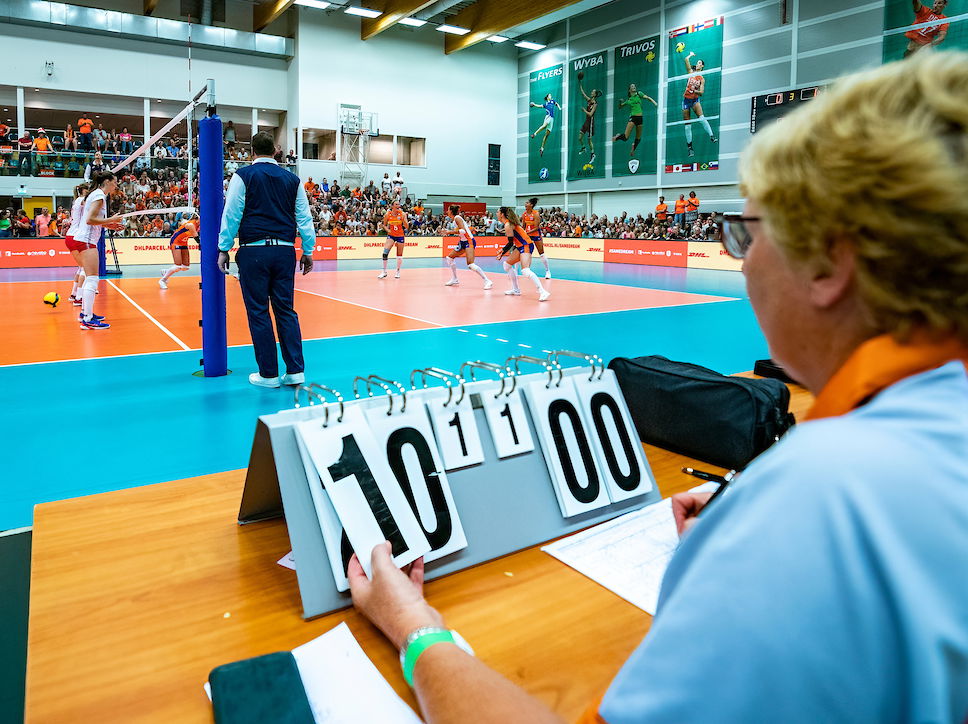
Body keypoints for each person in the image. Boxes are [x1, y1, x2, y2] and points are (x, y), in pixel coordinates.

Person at [347, 51, 968, 724]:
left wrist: (414, 629)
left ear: (830, 263)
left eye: (745, 233)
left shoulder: (822, 500)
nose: (742, 259)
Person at [217, 131, 314, 388]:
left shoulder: (243, 176)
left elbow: (232, 213)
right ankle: (295, 371)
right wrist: (308, 250)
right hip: (284, 252)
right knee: (286, 311)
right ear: (275, 151)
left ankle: (268, 374)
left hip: (254, 251)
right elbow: (304, 218)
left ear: (251, 152)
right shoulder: (293, 180)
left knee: (258, 311)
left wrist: (223, 248)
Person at [71, 172, 124, 329]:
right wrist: (112, 220)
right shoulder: (99, 195)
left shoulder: (96, 194)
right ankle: (87, 319)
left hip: (85, 239)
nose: (116, 185)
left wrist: (109, 225)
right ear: (107, 181)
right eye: (114, 182)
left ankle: (86, 314)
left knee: (89, 277)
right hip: (87, 241)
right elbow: (90, 219)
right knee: (92, 278)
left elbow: (93, 221)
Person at [495, 207, 550, 302]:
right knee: (506, 265)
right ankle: (516, 289)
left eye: (498, 212)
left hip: (526, 245)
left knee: (525, 270)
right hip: (520, 246)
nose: (496, 213)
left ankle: (543, 291)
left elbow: (510, 243)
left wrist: (502, 251)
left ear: (502, 214)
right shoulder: (508, 224)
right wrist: (502, 251)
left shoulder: (508, 224)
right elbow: (512, 243)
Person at [443, 204, 492, 289]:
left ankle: (487, 281)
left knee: (471, 265)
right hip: (462, 242)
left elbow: (462, 231)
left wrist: (449, 232)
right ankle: (455, 279)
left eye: (448, 210)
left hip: (469, 241)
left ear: (451, 211)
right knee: (449, 258)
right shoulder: (455, 219)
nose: (447, 211)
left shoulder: (457, 218)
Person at [682, 51, 717, 157]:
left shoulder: (702, 79)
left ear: (702, 66)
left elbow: (701, 93)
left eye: (699, 63)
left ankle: (712, 136)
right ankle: (690, 148)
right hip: (686, 101)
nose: (697, 64)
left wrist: (694, 91)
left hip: (695, 100)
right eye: (697, 62)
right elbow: (686, 60)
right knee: (687, 126)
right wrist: (690, 55)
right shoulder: (690, 72)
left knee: (702, 118)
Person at [612, 83, 657, 158]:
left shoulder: (639, 94)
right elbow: (620, 107)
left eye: (634, 86)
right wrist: (620, 102)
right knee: (626, 137)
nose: (634, 87)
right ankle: (618, 136)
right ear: (629, 90)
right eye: (632, 87)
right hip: (633, 118)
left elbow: (648, 98)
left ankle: (633, 149)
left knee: (638, 139)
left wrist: (654, 103)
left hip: (640, 118)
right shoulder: (629, 100)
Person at [65, 184, 89, 306]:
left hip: (70, 236)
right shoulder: (81, 201)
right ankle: (79, 297)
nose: (89, 191)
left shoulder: (76, 201)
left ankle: (74, 294)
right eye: (88, 189)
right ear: (82, 191)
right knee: (85, 268)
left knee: (81, 267)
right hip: (76, 237)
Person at [159, 213, 197, 289]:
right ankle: (163, 280)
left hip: (184, 242)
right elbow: (197, 238)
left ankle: (167, 271)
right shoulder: (191, 224)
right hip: (176, 241)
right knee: (177, 265)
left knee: (186, 267)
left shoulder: (199, 226)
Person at [521, 198, 551, 279]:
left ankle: (548, 271)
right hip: (528, 236)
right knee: (527, 253)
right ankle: (527, 271)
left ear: (531, 205)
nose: (525, 204)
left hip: (536, 235)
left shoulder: (535, 214)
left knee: (541, 253)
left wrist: (527, 232)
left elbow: (537, 227)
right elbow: (523, 226)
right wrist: (521, 233)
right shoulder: (524, 214)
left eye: (527, 203)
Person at [378, 200, 408, 279]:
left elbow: (407, 226)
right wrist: (388, 230)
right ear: (392, 206)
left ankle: (398, 271)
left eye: (399, 204)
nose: (398, 206)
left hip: (400, 235)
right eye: (396, 204)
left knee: (399, 255)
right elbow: (383, 225)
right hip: (391, 235)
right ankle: (384, 272)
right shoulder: (388, 214)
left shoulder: (403, 214)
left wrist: (403, 220)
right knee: (385, 253)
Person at [576, 79, 602, 165]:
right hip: (586, 122)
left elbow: (590, 114)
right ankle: (583, 148)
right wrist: (580, 84)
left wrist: (584, 110)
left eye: (592, 92)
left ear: (595, 94)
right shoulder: (589, 100)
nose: (591, 92)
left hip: (590, 123)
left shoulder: (595, 104)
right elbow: (583, 94)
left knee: (589, 140)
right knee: (580, 137)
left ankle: (593, 154)